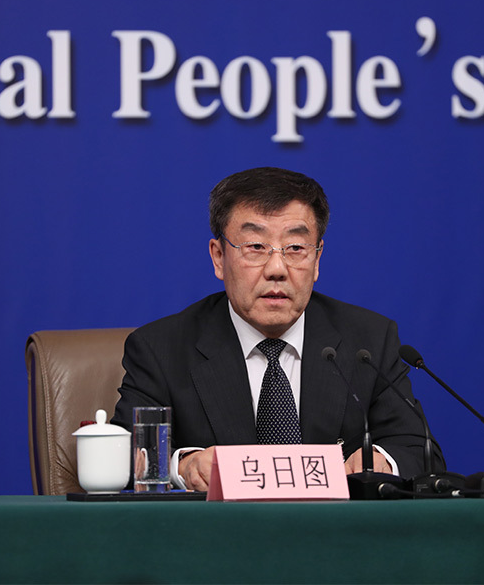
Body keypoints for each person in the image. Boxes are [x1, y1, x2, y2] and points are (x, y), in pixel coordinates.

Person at [111, 167, 444, 491]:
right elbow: (120, 457)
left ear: (317, 259)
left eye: (295, 248)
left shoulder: (368, 341)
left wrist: (383, 461)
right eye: (256, 247)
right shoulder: (161, 348)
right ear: (218, 257)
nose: (276, 269)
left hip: (336, 527)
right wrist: (182, 466)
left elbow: (420, 450)